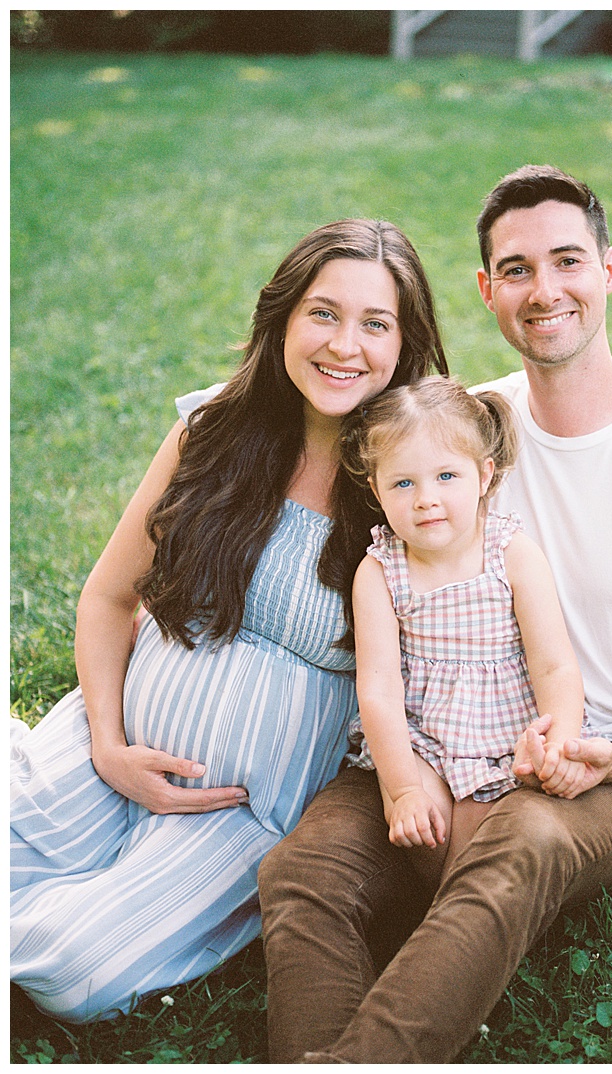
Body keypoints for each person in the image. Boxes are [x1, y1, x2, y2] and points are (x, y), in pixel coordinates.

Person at [257, 165, 612, 1063]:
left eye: (567, 260)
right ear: (487, 290)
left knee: (518, 848)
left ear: (610, 269)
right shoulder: (461, 433)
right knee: (300, 872)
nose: (545, 291)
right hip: (429, 743)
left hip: (607, 765)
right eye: (516, 269)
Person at [10, 219, 449, 1022]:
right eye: (323, 313)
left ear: (405, 344)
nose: (344, 345)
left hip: (239, 814)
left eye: (375, 323)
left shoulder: (413, 485)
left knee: (73, 974)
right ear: (281, 318)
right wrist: (108, 745)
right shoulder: (212, 429)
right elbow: (110, 598)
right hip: (113, 747)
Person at [341, 377, 589, 889]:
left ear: (483, 476)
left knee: (479, 843)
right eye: (403, 484)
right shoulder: (380, 571)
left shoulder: (511, 552)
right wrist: (403, 787)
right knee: (423, 827)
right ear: (376, 490)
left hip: (501, 738)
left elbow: (554, 664)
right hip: (423, 741)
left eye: (446, 476)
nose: (426, 500)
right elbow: (379, 689)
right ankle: (423, 904)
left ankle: (459, 924)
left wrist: (560, 737)